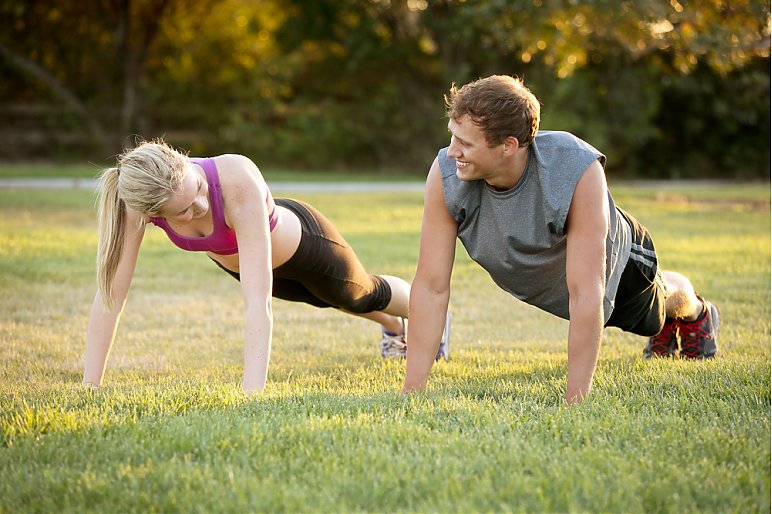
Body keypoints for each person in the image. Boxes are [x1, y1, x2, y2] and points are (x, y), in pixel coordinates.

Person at [403, 75, 721, 404]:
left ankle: (698, 312)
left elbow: (587, 292)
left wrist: (575, 401)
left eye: (465, 144)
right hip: (553, 278)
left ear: (508, 146)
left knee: (657, 308)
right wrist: (411, 395)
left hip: (619, 264)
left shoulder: (575, 168)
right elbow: (430, 286)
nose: (452, 151)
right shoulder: (446, 174)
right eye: (453, 137)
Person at [83, 139, 448, 394]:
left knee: (363, 294)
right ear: (153, 214)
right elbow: (112, 295)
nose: (201, 204)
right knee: (327, 301)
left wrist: (250, 394)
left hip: (307, 245)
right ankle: (392, 326)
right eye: (185, 211)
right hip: (246, 265)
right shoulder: (136, 205)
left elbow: (257, 305)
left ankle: (432, 318)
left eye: (197, 188)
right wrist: (90, 386)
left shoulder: (235, 179)